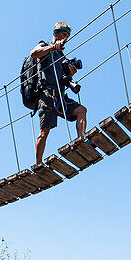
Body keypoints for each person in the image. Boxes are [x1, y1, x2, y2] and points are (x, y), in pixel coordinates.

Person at [31, 22, 87, 165]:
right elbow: (34, 54)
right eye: (62, 34)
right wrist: (51, 48)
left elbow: (62, 80)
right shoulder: (44, 45)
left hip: (60, 95)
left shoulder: (62, 58)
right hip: (47, 94)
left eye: (67, 36)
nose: (65, 38)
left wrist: (70, 74)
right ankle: (38, 163)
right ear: (55, 34)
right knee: (45, 131)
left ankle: (82, 139)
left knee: (81, 110)